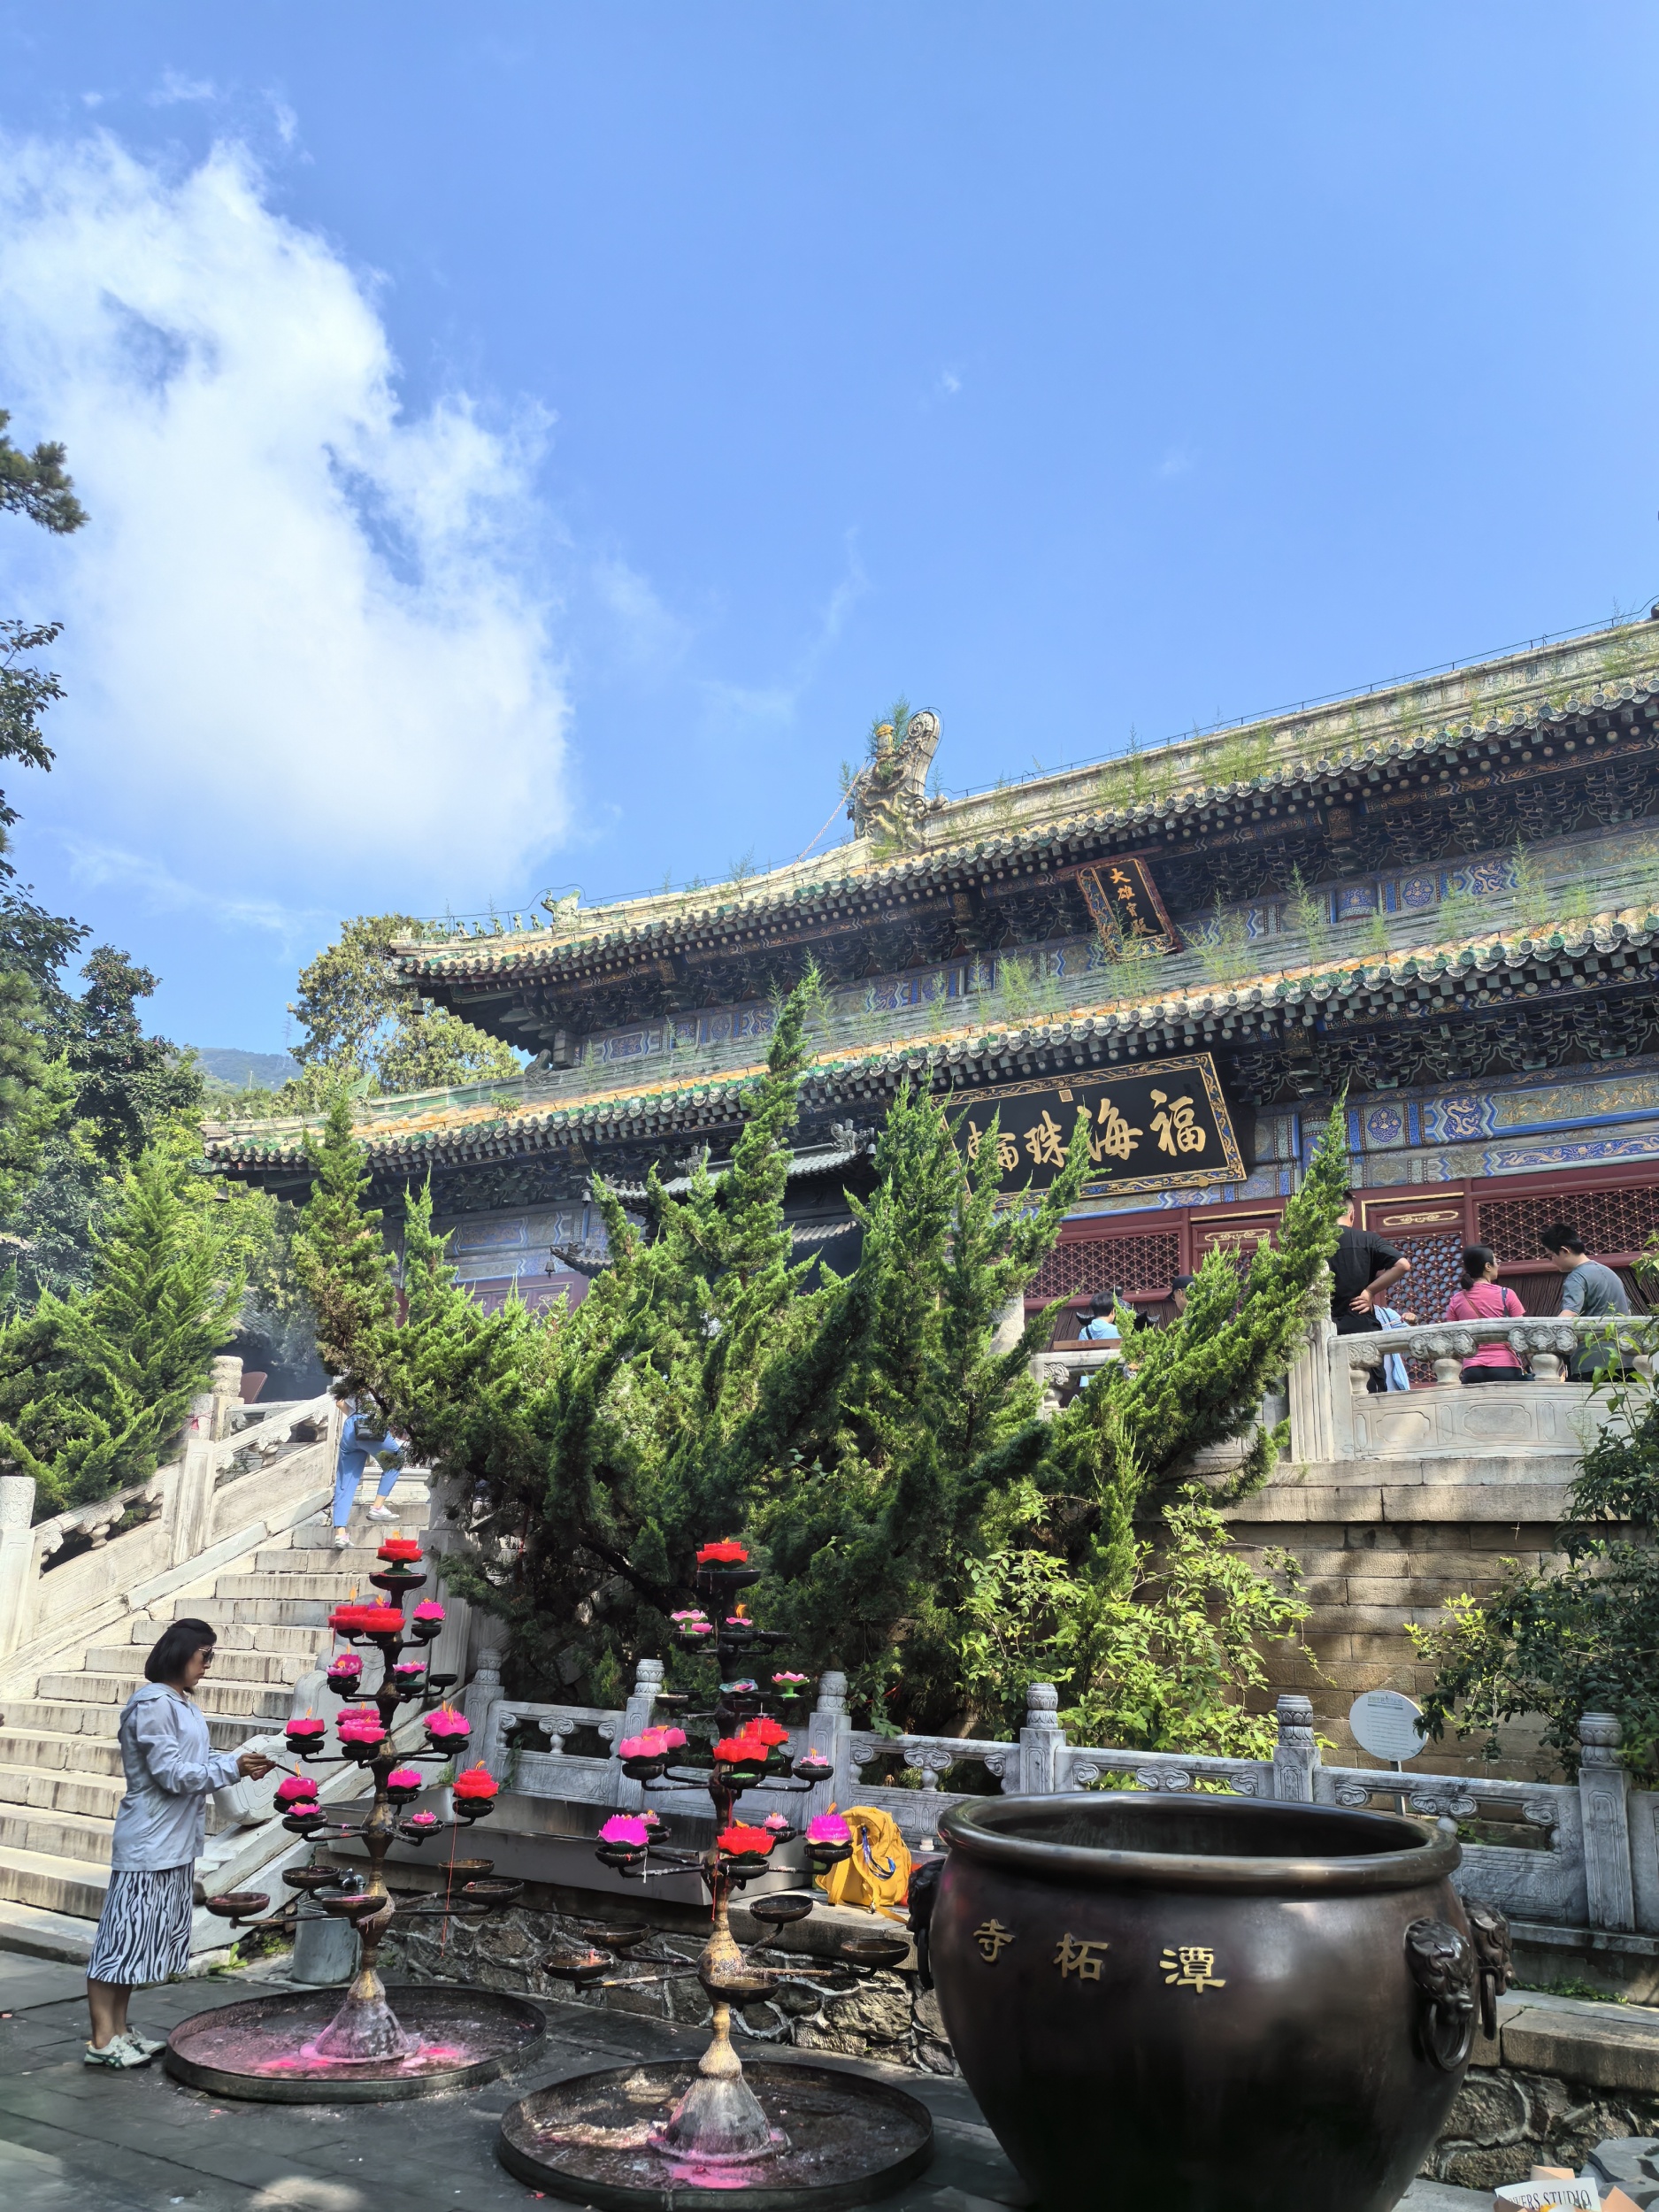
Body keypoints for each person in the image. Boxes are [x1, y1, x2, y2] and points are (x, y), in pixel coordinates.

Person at [83, 1619, 274, 2068]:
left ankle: (121, 2031)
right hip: (147, 1842)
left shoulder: (183, 1702)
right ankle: (100, 2041)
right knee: (117, 1941)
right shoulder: (151, 1703)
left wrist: (234, 1760)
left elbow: (194, 1761)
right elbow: (171, 1774)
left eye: (212, 1655)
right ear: (181, 1652)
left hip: (174, 1843)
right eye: (205, 1654)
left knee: (137, 1942)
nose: (209, 1664)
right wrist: (234, 1769)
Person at [1541, 1224, 1632, 1379]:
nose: (1552, 1262)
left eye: (1550, 1256)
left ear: (1565, 1250)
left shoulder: (1576, 1277)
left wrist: (1545, 1338)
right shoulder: (1609, 1273)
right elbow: (1628, 1312)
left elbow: (1569, 1313)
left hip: (1592, 1364)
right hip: (1625, 1361)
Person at [331, 1394, 404, 1549]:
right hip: (370, 1423)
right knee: (395, 1460)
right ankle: (377, 1507)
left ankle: (340, 1535)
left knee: (345, 1481)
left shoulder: (351, 1378)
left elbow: (339, 1403)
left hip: (350, 1427)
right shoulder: (380, 1373)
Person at [1444, 1246, 1526, 1384]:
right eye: (1496, 1261)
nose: (1498, 1265)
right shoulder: (1506, 1294)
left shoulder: (1456, 1299)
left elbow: (1452, 1335)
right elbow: (1521, 1331)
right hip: (1506, 1366)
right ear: (1488, 1266)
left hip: (1472, 1369)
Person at [1330, 1196, 1410, 1334]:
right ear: (1352, 1214)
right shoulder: (1368, 1240)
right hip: (1362, 1327)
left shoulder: (1315, 1246)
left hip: (1325, 1331)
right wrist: (1370, 1291)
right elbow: (1403, 1265)